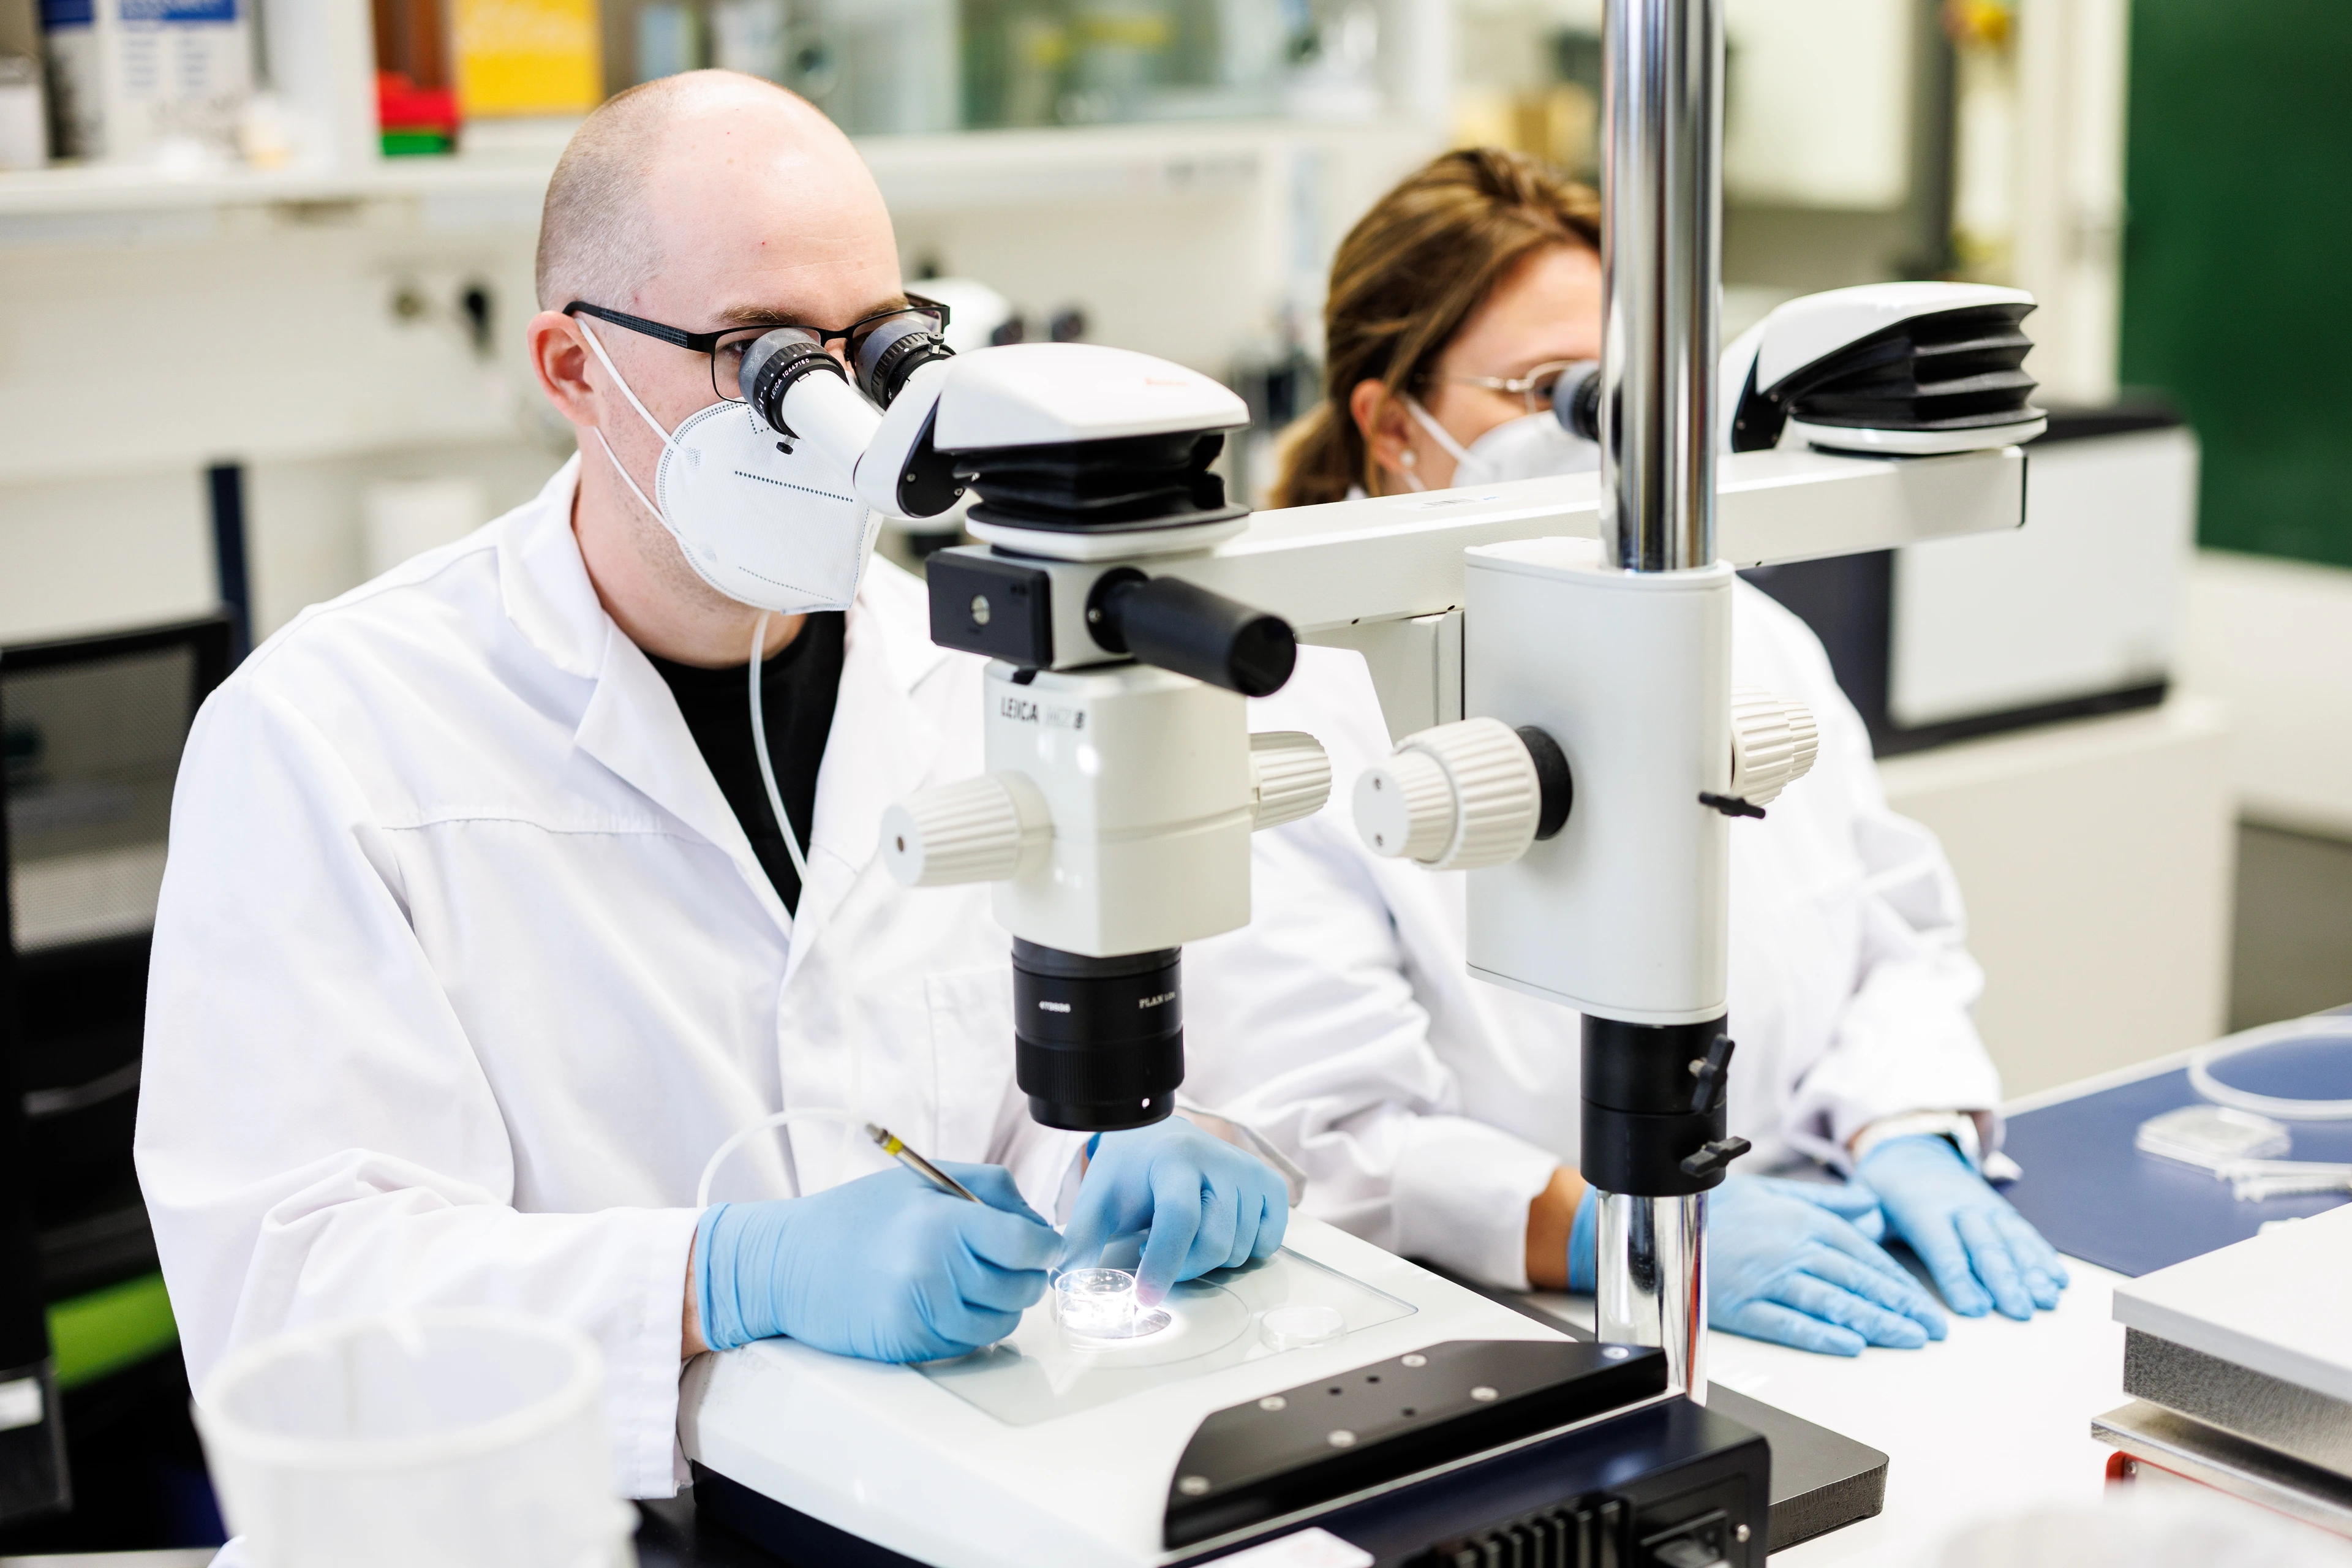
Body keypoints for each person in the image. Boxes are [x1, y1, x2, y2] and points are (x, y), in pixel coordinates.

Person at [132, 71, 1287, 1500]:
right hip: (551, 1523)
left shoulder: (988, 674)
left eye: (869, 349)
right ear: (570, 370)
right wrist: (723, 1272)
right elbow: (292, 1302)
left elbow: (1040, 1130)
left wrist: (1149, 1155)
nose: (825, 417)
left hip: (945, 1489)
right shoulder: (328, 733)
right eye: (756, 355)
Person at [1180, 148, 2068, 1355]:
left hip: (1826, 1261)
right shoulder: (1294, 708)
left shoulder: (1749, 634)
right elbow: (1330, 1130)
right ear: (1391, 423)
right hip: (1510, 1328)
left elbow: (1892, 936)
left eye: (1630, 391)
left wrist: (1905, 1123)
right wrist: (1613, 1225)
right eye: (1551, 390)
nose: (1605, 435)